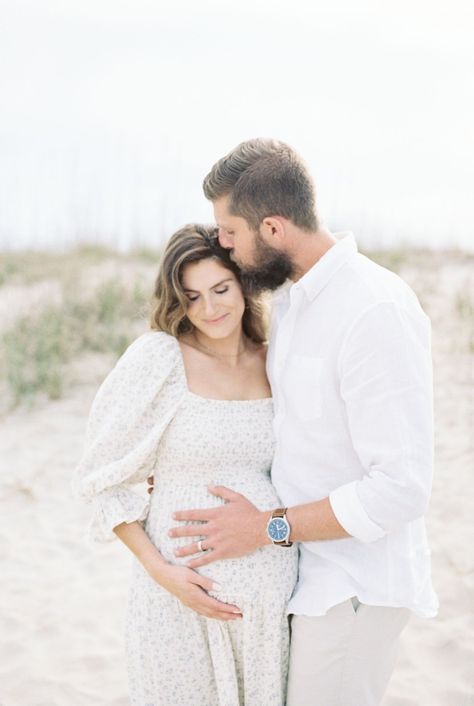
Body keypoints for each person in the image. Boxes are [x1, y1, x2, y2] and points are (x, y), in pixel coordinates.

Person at [166, 139, 439, 706]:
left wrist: (267, 527)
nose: (222, 244)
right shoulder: (291, 304)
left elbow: (401, 488)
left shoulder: (373, 309)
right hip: (307, 582)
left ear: (272, 228)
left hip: (354, 590)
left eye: (230, 232)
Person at [73, 223, 298, 706]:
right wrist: (163, 573)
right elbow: (100, 480)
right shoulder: (161, 358)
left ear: (244, 284)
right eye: (192, 297)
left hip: (266, 611)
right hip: (176, 602)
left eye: (221, 289)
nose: (210, 309)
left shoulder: (276, 360)